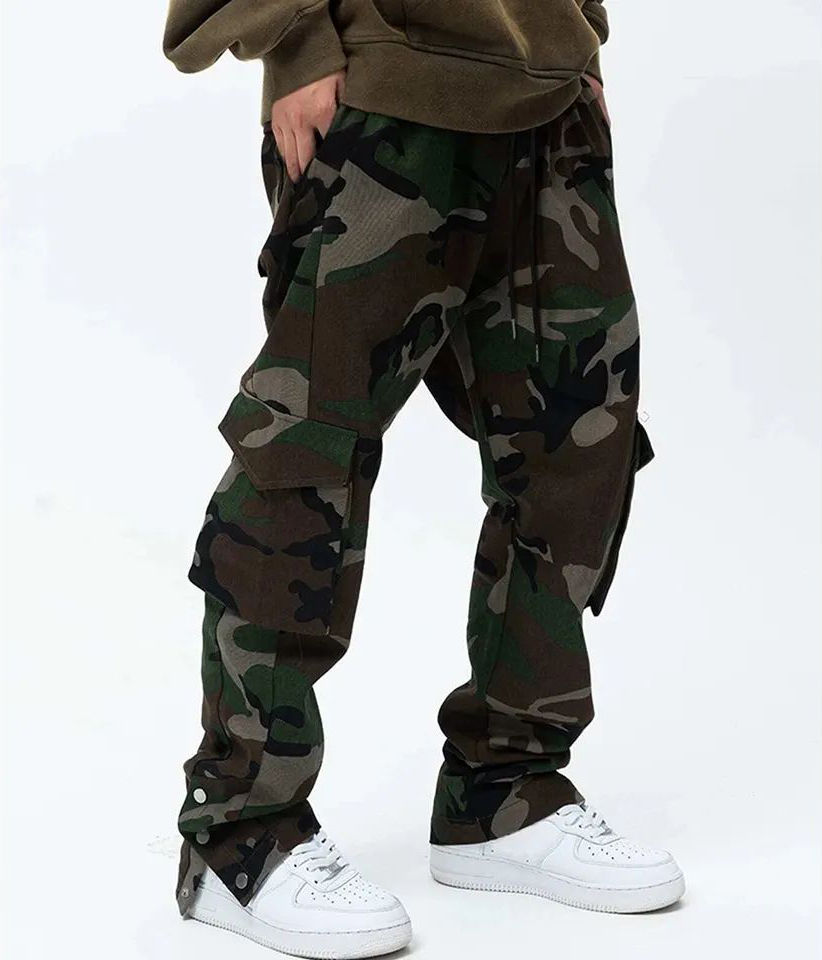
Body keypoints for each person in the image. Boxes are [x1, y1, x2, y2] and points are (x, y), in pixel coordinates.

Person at [162, 1, 684, 955]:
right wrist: (296, 40)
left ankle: (505, 792)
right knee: (307, 452)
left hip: (548, 102)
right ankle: (242, 831)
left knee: (577, 442)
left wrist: (578, 35)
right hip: (387, 96)